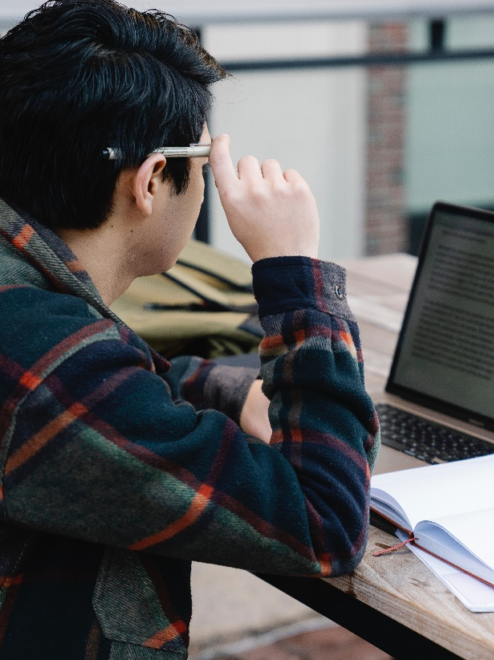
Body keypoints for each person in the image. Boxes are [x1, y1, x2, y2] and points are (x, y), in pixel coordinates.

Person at [0, 0, 379, 656]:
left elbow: (104, 393)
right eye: (204, 161)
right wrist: (295, 270)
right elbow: (324, 525)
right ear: (150, 181)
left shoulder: (33, 320)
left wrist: (233, 392)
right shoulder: (55, 364)